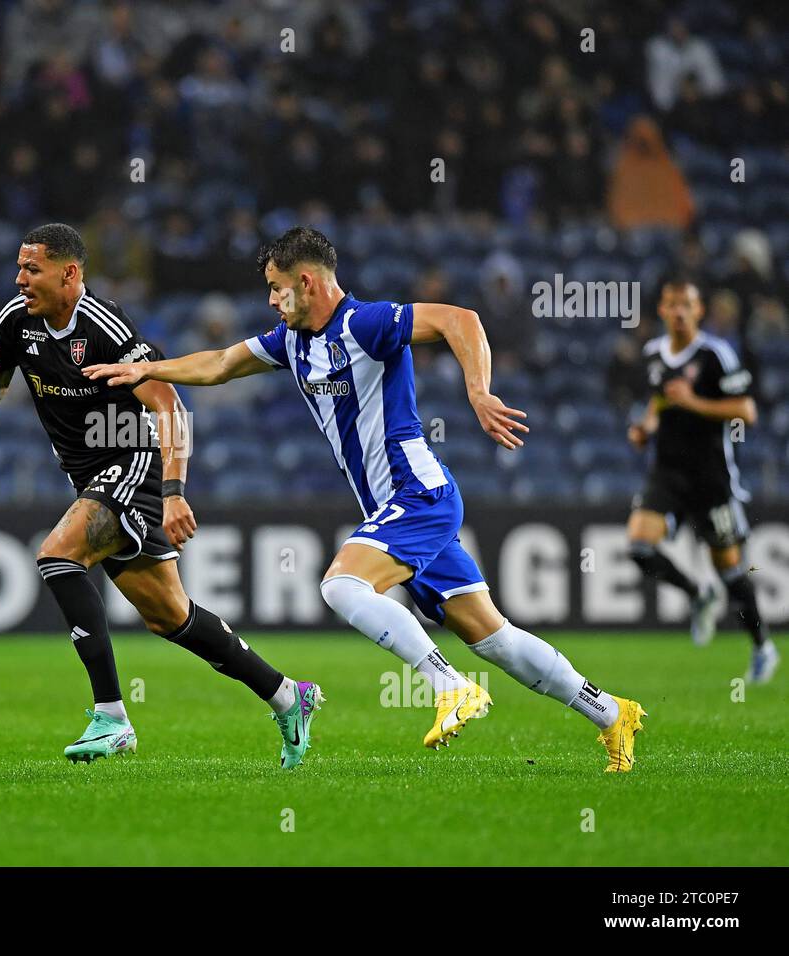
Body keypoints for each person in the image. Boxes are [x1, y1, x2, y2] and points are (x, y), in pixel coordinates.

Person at [86, 226, 646, 772]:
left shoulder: (366, 322)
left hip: (417, 492)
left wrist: (479, 391)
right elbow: (222, 363)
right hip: (397, 507)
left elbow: (460, 319)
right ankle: (611, 711)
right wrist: (147, 368)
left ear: (307, 282)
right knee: (492, 636)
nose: (271, 300)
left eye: (276, 288)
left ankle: (449, 686)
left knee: (340, 585)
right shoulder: (293, 341)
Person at [0, 223, 321, 767]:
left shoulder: (104, 327)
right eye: (19, 267)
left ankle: (112, 717)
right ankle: (287, 695)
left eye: (31, 269)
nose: (20, 279)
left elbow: (169, 406)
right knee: (170, 616)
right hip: (89, 479)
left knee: (58, 554)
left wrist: (174, 493)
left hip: (131, 462)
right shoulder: (16, 321)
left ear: (69, 273)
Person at [626, 276, 775, 683]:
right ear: (661, 309)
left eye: (686, 304)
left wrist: (694, 402)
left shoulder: (715, 355)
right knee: (640, 547)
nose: (678, 311)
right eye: (671, 304)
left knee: (730, 570)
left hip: (710, 477)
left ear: (698, 310)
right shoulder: (653, 352)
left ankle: (762, 645)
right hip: (667, 472)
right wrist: (645, 427)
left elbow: (747, 410)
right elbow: (659, 398)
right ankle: (697, 595)